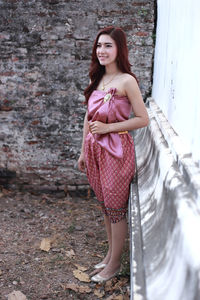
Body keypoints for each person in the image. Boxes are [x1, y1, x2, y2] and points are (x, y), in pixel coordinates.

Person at [78, 26, 149, 282]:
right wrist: (82, 151)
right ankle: (110, 255)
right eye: (99, 45)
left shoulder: (127, 80)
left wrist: (109, 127)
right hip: (94, 150)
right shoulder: (97, 79)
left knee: (116, 209)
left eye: (108, 45)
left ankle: (115, 265)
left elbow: (143, 119)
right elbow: (89, 115)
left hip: (116, 151)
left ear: (119, 48)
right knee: (105, 208)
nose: (102, 51)